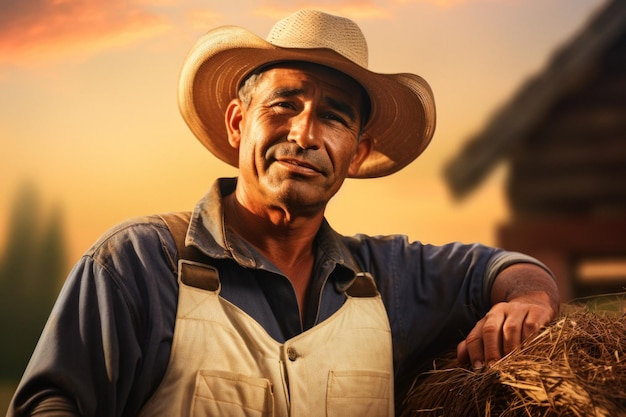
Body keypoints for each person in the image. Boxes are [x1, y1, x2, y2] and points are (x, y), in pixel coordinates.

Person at [7, 9, 559, 417]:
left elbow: (502, 269)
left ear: (356, 151)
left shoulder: (389, 278)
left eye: (335, 117)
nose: (304, 134)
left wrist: (531, 298)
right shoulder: (138, 262)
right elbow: (51, 403)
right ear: (236, 122)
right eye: (284, 105)